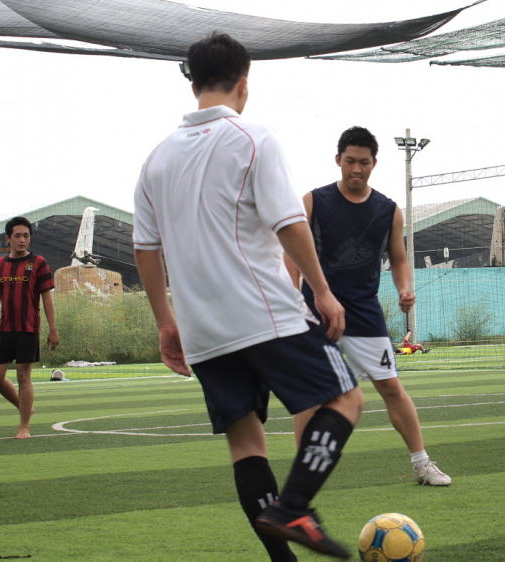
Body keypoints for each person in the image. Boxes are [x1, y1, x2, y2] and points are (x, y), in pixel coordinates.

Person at [133, 34, 364, 561]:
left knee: (246, 443)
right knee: (347, 398)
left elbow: (146, 248)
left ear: (193, 84)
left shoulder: (155, 159)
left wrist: (166, 323)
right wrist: (323, 293)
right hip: (263, 311)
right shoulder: (253, 137)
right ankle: (295, 505)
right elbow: (288, 223)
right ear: (244, 83)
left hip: (202, 329)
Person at [285, 126, 451, 486]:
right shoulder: (313, 201)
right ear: (337, 160)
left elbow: (400, 260)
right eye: (349, 162)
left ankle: (422, 463)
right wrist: (291, 298)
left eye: (363, 162)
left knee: (391, 387)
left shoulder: (388, 210)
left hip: (363, 312)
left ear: (374, 163)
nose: (356, 169)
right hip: (314, 312)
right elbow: (292, 252)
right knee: (311, 394)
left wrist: (405, 289)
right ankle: (304, 474)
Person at [0, 216, 59, 439]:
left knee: (23, 376)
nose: (22, 239)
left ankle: (24, 427)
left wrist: (53, 329)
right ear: (8, 238)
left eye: (26, 235)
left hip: (28, 329)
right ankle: (25, 405)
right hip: (5, 329)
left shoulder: (38, 263)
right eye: (17, 235)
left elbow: (47, 298)